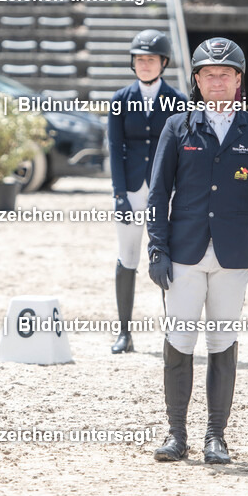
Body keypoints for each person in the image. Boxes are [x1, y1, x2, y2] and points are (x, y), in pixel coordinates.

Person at [147, 37, 248, 463]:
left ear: (238, 79)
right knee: (179, 340)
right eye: (209, 74)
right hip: (183, 252)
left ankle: (216, 436)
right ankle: (176, 433)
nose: (217, 81)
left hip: (232, 256)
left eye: (225, 74)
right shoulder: (178, 126)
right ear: (196, 79)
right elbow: (158, 193)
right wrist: (157, 249)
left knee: (223, 343)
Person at [107, 30, 187, 354]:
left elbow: (184, 149)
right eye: (140, 59)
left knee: (168, 256)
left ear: (163, 63)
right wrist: (118, 194)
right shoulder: (120, 99)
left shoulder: (179, 101)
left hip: (164, 190)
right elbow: (114, 147)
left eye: (150, 60)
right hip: (131, 187)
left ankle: (173, 332)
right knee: (127, 257)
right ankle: (125, 333)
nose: (145, 64)